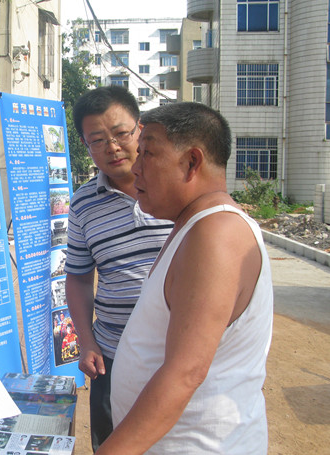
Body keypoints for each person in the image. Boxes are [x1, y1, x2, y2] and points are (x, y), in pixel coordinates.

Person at [99, 102, 274, 454]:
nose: (135, 169)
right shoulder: (193, 226)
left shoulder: (216, 233)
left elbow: (185, 372)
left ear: (192, 162)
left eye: (147, 154)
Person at [64, 85, 173, 451]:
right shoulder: (82, 205)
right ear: (85, 145)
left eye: (121, 133)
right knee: (111, 442)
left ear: (140, 129)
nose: (112, 147)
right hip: (113, 355)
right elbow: (78, 277)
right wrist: (86, 341)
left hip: (173, 353)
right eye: (97, 139)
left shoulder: (176, 190)